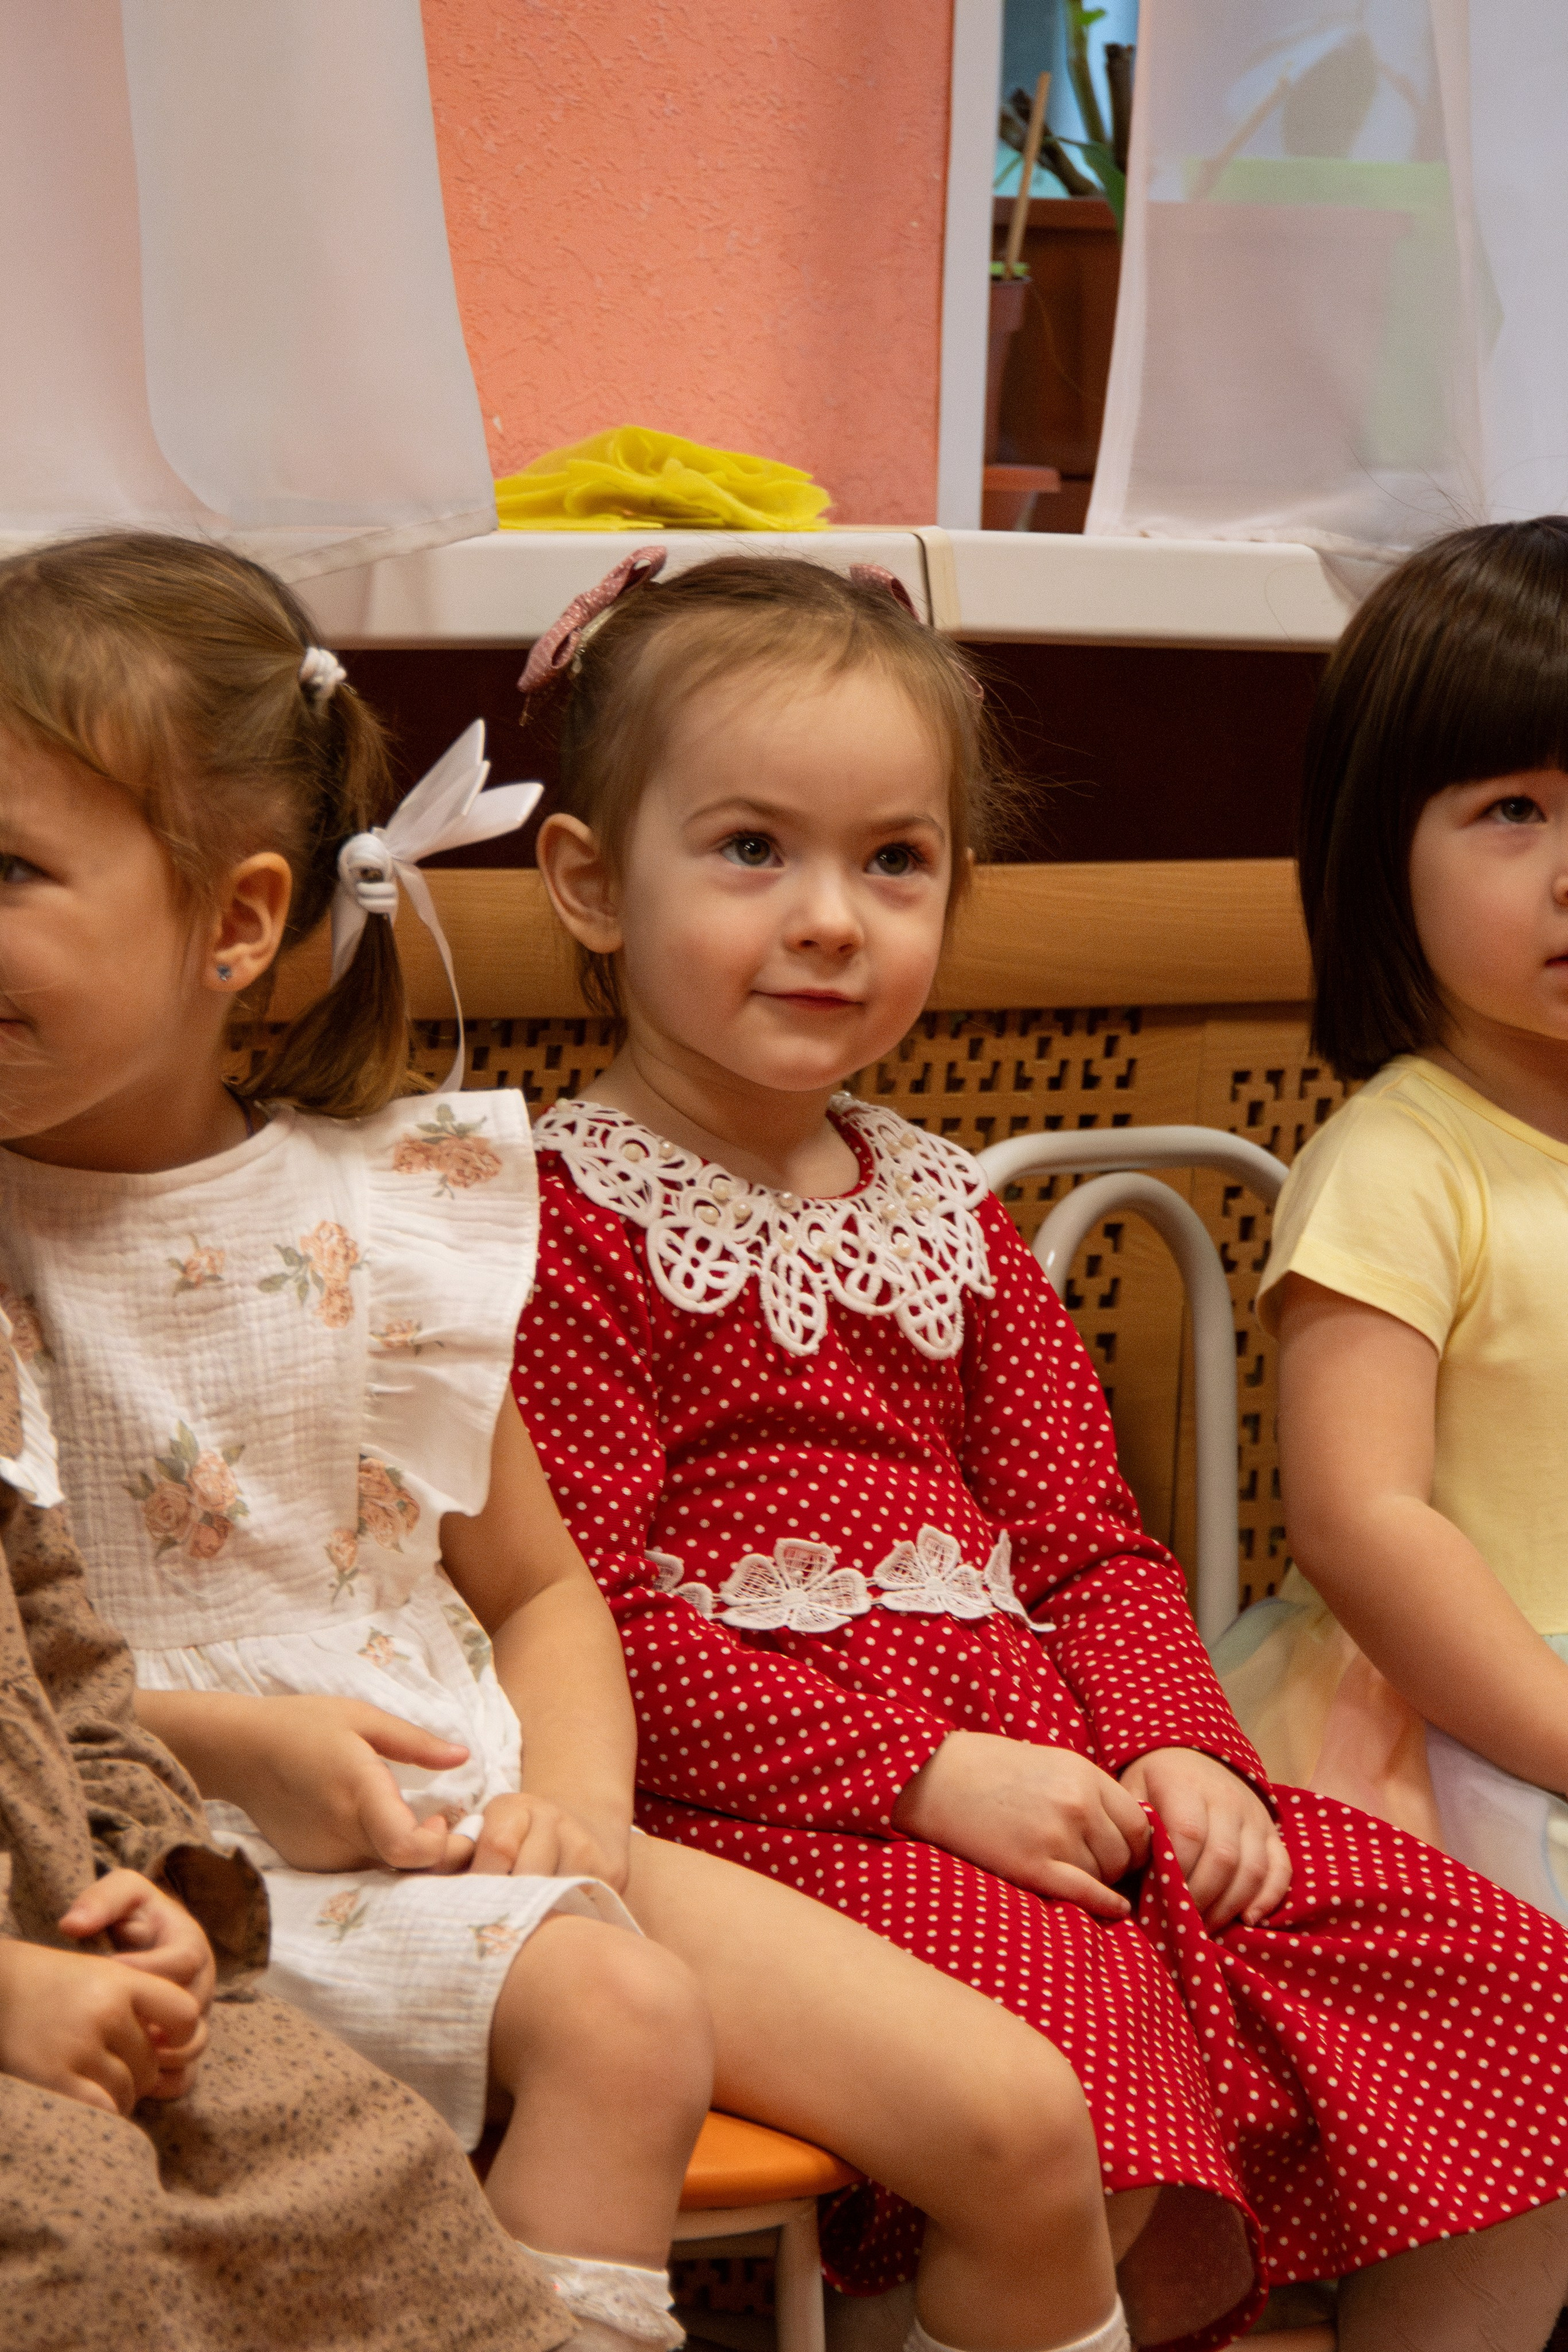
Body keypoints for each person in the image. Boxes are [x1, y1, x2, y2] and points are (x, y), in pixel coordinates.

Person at [0, 530, 1184, 2352]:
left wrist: (572, 1812)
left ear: (235, 924)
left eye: (7, 869)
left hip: (487, 1816)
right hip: (170, 1850)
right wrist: (239, 1747)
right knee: (623, 2030)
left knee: (1029, 2126)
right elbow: (43, 1683)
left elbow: (546, 1590)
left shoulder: (398, 1207)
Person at [515, 545, 1568, 2352]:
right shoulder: (559, 1225)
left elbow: (1088, 1544)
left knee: (1506, 1984)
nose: (833, 919)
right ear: (593, 883)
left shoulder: (946, 1214)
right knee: (1077, 2058)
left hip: (1066, 1789)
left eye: (895, 861)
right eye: (754, 849)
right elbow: (578, 1635)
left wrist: (1183, 1748)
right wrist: (927, 1777)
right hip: (778, 1819)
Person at [0, 1301, 571, 2352]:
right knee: (83, 2236)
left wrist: (155, 1879)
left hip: (88, 1937)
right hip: (33, 2008)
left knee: (375, 2158)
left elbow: (68, 1691)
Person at [1213, 516, 1568, 1935]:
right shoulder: (1400, 1160)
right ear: (1381, 857)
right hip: (1461, 1720)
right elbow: (1358, 1521)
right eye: (1512, 810)